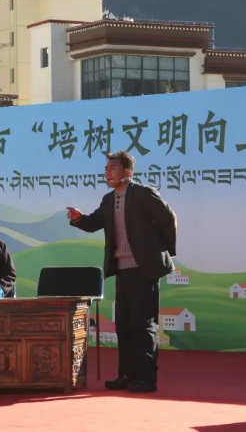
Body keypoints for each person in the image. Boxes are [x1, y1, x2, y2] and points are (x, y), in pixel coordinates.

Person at [67, 151, 177, 393]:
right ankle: (127, 376)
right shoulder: (108, 200)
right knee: (124, 325)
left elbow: (168, 218)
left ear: (127, 173)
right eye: (106, 169)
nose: (107, 173)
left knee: (143, 324)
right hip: (123, 271)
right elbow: (94, 222)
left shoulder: (143, 193)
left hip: (144, 270)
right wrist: (78, 219)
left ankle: (147, 379)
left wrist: (162, 250)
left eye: (113, 168)